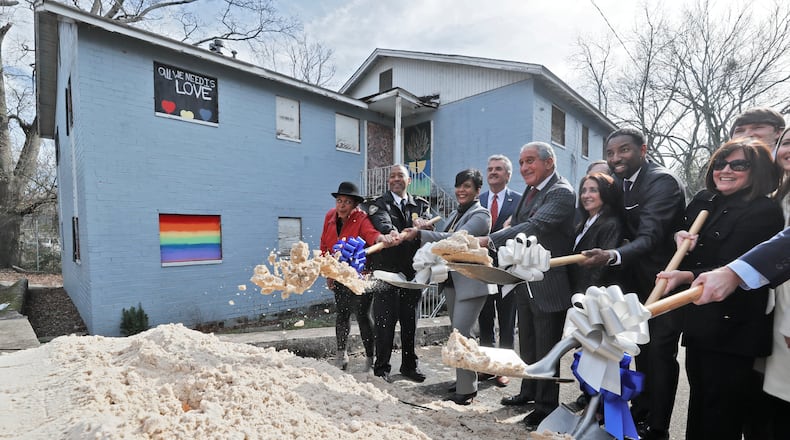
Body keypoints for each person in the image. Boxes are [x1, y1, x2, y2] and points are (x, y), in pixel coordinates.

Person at [656, 139, 783, 439]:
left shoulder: (764, 211)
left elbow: (737, 267)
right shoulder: (706, 201)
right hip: (701, 323)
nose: (725, 170)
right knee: (699, 404)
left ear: (758, 171)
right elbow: (680, 233)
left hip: (734, 329)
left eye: (738, 165)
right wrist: (679, 236)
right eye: (721, 164)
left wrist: (687, 275)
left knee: (721, 412)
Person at [581, 128, 685, 440]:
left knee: (660, 355)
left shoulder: (661, 181)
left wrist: (612, 254)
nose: (616, 158)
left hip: (664, 282)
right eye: (611, 153)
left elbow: (650, 236)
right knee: (642, 350)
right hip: (635, 284)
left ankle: (658, 427)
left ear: (643, 148)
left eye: (624, 150)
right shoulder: (623, 184)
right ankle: (640, 412)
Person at [479, 141, 576, 431]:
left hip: (549, 283)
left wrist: (491, 239)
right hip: (525, 281)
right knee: (529, 343)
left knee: (547, 349)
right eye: (521, 162)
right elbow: (519, 221)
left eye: (530, 161)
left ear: (550, 162)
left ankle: (545, 408)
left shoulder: (561, 192)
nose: (524, 168)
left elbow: (535, 226)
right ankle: (529, 392)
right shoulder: (532, 192)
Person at [403, 169, 491, 405]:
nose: (461, 190)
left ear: (477, 191)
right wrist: (425, 231)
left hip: (471, 283)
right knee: (459, 334)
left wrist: (420, 234)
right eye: (459, 186)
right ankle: (464, 381)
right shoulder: (454, 213)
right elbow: (442, 238)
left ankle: (467, 391)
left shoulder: (481, 215)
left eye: (467, 187)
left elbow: (455, 240)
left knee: (462, 334)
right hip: (452, 283)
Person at [367, 164, 433, 383]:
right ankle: (381, 368)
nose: (396, 179)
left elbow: (429, 229)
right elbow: (381, 222)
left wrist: (424, 227)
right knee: (384, 324)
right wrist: (390, 232)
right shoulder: (378, 204)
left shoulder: (420, 205)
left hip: (412, 275)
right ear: (389, 181)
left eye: (400, 176)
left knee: (409, 323)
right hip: (387, 274)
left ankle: (409, 366)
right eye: (392, 176)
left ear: (409, 180)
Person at [319, 181, 394, 371]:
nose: (342, 206)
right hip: (339, 274)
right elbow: (325, 245)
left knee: (362, 315)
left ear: (355, 205)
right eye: (339, 201)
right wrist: (328, 272)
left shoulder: (361, 218)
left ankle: (370, 358)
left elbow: (371, 234)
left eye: (347, 202)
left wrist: (381, 239)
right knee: (342, 314)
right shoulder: (330, 217)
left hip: (361, 276)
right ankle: (341, 354)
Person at [477, 154, 521, 387]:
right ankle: (487, 365)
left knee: (506, 319)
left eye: (498, 169)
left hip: (507, 270)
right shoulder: (479, 200)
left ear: (508, 174)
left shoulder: (520, 201)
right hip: (484, 268)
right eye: (490, 168)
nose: (493, 172)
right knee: (485, 318)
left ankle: (503, 367)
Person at [568, 172, 623, 293]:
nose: (586, 195)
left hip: (592, 296)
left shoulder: (611, 224)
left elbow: (601, 269)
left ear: (605, 193)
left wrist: (584, 296)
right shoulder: (582, 224)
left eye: (593, 190)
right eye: (583, 191)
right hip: (574, 291)